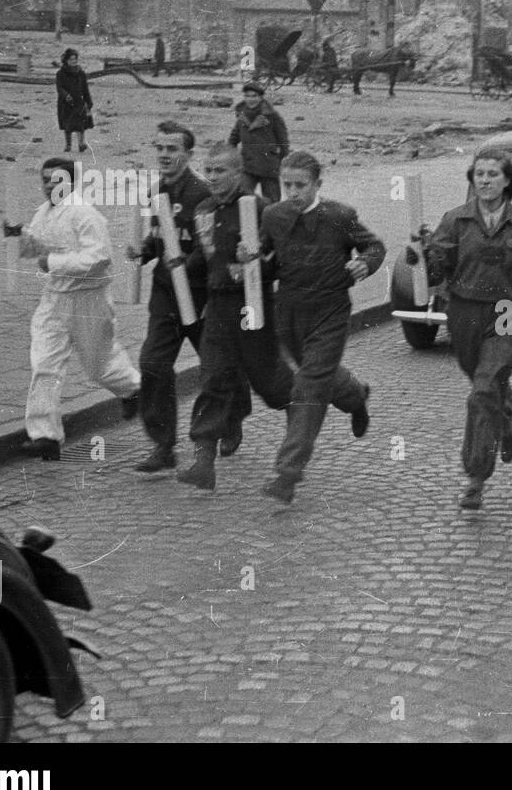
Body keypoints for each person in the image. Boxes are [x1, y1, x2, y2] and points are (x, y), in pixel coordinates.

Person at [410, 149, 512, 509]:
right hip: (463, 311)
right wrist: (423, 251)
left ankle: (475, 476)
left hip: (510, 311)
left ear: (508, 180)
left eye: (493, 174)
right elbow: (438, 268)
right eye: (479, 173)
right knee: (486, 383)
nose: (485, 180)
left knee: (483, 390)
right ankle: (506, 419)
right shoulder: (455, 220)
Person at [243, 152, 381, 504]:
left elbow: (374, 245)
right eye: (286, 185)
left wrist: (365, 262)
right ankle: (355, 396)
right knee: (317, 373)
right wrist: (250, 259)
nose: (292, 192)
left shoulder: (340, 216)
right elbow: (267, 260)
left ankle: (287, 473)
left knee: (307, 386)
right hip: (288, 312)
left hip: (330, 312)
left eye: (300, 185)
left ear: (318, 184)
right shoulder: (273, 216)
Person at [124, 120, 250, 472]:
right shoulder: (155, 191)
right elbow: (162, 238)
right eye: (160, 148)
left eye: (172, 149)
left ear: (187, 154)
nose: (164, 155)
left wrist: (184, 265)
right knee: (152, 363)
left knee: (217, 367)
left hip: (202, 295)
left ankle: (233, 415)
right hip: (166, 294)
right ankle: (163, 446)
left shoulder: (202, 194)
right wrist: (143, 252)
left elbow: (211, 249)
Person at [5, 157, 140, 460]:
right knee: (44, 363)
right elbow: (36, 249)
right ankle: (45, 436)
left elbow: (100, 258)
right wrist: (19, 236)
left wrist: (52, 262)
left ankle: (133, 389)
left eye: (57, 180)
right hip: (54, 298)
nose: (50, 185)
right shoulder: (43, 213)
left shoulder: (85, 214)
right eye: (46, 180)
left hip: (89, 299)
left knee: (99, 366)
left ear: (72, 182)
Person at [176, 144, 294, 490]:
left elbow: (280, 260)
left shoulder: (260, 209)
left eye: (220, 171)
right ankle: (203, 461)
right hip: (219, 307)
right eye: (208, 170)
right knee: (213, 377)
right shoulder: (204, 209)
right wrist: (181, 266)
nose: (212, 178)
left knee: (269, 383)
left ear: (239, 172)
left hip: (253, 306)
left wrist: (255, 262)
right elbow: (204, 252)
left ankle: (300, 411)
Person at [228, 82, 289, 202]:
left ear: (261, 97)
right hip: (248, 164)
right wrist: (229, 155)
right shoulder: (242, 116)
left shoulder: (272, 116)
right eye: (247, 96)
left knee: (272, 202)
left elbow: (283, 140)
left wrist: (283, 161)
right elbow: (234, 137)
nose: (250, 99)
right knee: (242, 198)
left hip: (268, 165)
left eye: (254, 96)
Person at [55, 48, 93, 154]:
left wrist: (88, 102)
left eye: (75, 59)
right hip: (65, 102)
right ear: (66, 60)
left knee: (80, 124)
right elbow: (59, 88)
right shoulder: (60, 73)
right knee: (67, 124)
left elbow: (85, 89)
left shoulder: (81, 73)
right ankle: (68, 145)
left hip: (78, 101)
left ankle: (81, 144)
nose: (74, 61)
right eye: (71, 59)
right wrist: (66, 95)